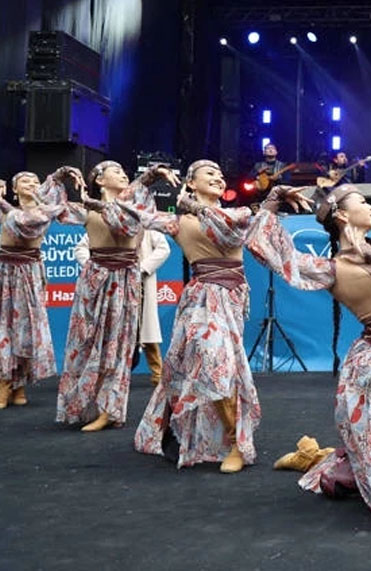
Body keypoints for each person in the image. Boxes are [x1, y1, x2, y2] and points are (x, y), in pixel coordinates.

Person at [246, 183, 371, 528]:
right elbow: (278, 256)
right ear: (341, 214)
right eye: (363, 202)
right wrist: (273, 202)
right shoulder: (331, 268)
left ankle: (314, 455)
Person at [133, 160, 287, 473]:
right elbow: (129, 211)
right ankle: (216, 436)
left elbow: (248, 224)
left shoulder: (234, 215)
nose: (218, 177)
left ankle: (235, 443)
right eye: (209, 174)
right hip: (199, 295)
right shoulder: (177, 222)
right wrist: (148, 179)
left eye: (220, 174)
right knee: (206, 358)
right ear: (190, 182)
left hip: (229, 296)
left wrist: (276, 195)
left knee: (222, 365)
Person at [55, 161, 179, 431]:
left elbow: (125, 216)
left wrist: (148, 178)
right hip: (95, 280)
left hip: (124, 280)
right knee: (86, 342)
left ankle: (109, 409)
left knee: (117, 345)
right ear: (99, 180)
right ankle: (87, 403)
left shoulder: (133, 209)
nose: (123, 174)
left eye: (125, 171)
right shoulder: (87, 210)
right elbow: (47, 208)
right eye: (115, 171)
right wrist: (59, 177)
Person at [0, 168, 78, 409]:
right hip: (4, 270)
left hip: (28, 271)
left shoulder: (44, 212)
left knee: (25, 329)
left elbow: (24, 222)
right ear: (14, 188)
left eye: (35, 180)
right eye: (24, 180)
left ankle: (19, 383)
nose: (31, 183)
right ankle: (3, 383)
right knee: (4, 328)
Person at [74, 230, 170, 385]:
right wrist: (95, 268)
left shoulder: (145, 226)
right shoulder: (105, 225)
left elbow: (164, 248)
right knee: (113, 329)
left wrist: (143, 268)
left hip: (139, 283)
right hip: (112, 283)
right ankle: (109, 373)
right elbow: (81, 248)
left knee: (146, 329)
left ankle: (158, 374)